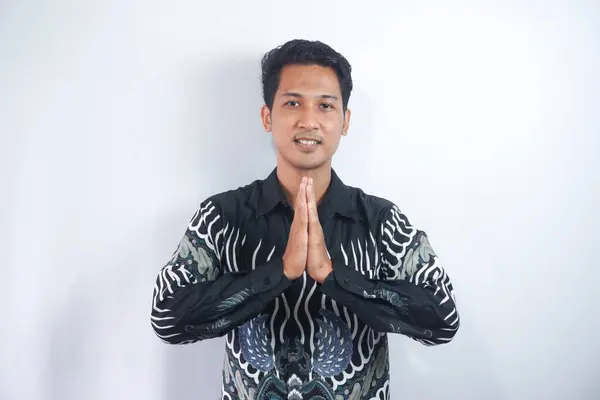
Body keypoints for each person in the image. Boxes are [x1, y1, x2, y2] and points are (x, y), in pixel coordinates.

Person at [150, 39, 460, 400]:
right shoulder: (222, 217)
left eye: (325, 106)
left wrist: (334, 277)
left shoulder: (381, 221)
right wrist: (278, 273)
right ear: (268, 116)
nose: (309, 120)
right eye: (293, 103)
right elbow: (167, 319)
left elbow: (444, 321)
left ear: (344, 121)